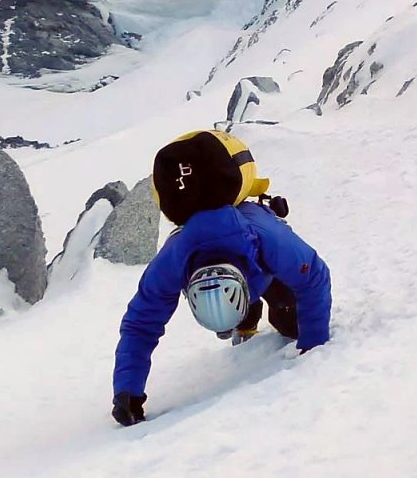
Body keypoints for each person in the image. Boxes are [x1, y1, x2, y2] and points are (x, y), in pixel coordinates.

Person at [110, 130, 331, 427]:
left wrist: (313, 344)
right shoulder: (173, 259)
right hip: (248, 273)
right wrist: (126, 392)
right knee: (266, 315)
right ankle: (245, 320)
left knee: (290, 324)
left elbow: (314, 276)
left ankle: (248, 318)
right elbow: (140, 324)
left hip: (265, 270)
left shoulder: (268, 240)